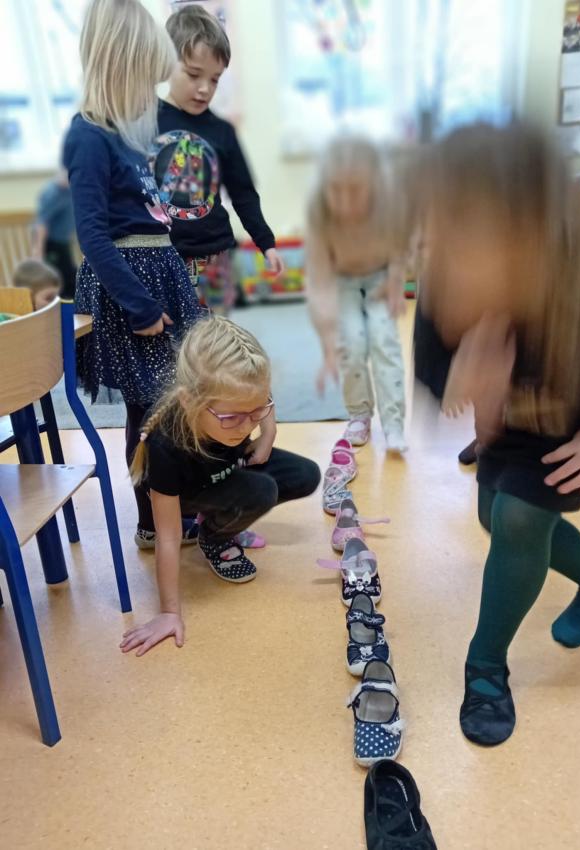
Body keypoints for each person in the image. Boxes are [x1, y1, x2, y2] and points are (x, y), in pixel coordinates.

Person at [414, 122, 580, 746]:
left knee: (518, 519)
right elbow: (430, 366)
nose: (449, 264)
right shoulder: (447, 285)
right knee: (493, 513)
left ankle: (486, 668)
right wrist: (459, 378)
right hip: (511, 428)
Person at [63, 0, 202, 549]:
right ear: (121, 70)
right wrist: (140, 305)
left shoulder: (129, 136)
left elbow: (151, 216)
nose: (152, 94)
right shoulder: (88, 136)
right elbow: (93, 236)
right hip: (131, 292)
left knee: (177, 396)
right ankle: (151, 519)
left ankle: (175, 503)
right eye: (147, 81)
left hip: (159, 276)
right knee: (150, 407)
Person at [121, 315, 320, 656]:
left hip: (224, 468)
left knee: (306, 475)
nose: (245, 427)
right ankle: (213, 536)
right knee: (262, 492)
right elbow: (168, 536)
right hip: (186, 495)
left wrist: (268, 432)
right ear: (189, 401)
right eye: (232, 417)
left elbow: (259, 395)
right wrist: (169, 613)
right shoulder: (165, 444)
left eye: (256, 411)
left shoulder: (236, 409)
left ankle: (224, 516)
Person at [150, 3, 284, 313]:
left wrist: (266, 243)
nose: (204, 89)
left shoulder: (222, 131)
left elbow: (244, 194)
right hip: (165, 257)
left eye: (214, 80)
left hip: (216, 256)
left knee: (217, 336)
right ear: (167, 63)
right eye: (193, 74)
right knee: (175, 338)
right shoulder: (145, 123)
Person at [305, 135, 408, 453]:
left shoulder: (391, 201)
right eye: (336, 190)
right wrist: (327, 339)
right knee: (349, 344)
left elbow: (402, 245)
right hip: (342, 280)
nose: (345, 203)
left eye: (356, 190)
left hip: (380, 277)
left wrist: (396, 282)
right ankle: (359, 414)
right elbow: (319, 278)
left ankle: (393, 424)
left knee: (384, 342)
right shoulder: (319, 209)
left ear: (375, 184)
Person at [32, 168, 77, 300]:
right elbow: (41, 223)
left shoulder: (69, 191)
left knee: (71, 278)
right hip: (51, 244)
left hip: (63, 243)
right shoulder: (52, 193)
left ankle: (71, 305)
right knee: (59, 281)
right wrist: (38, 252)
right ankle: (62, 307)